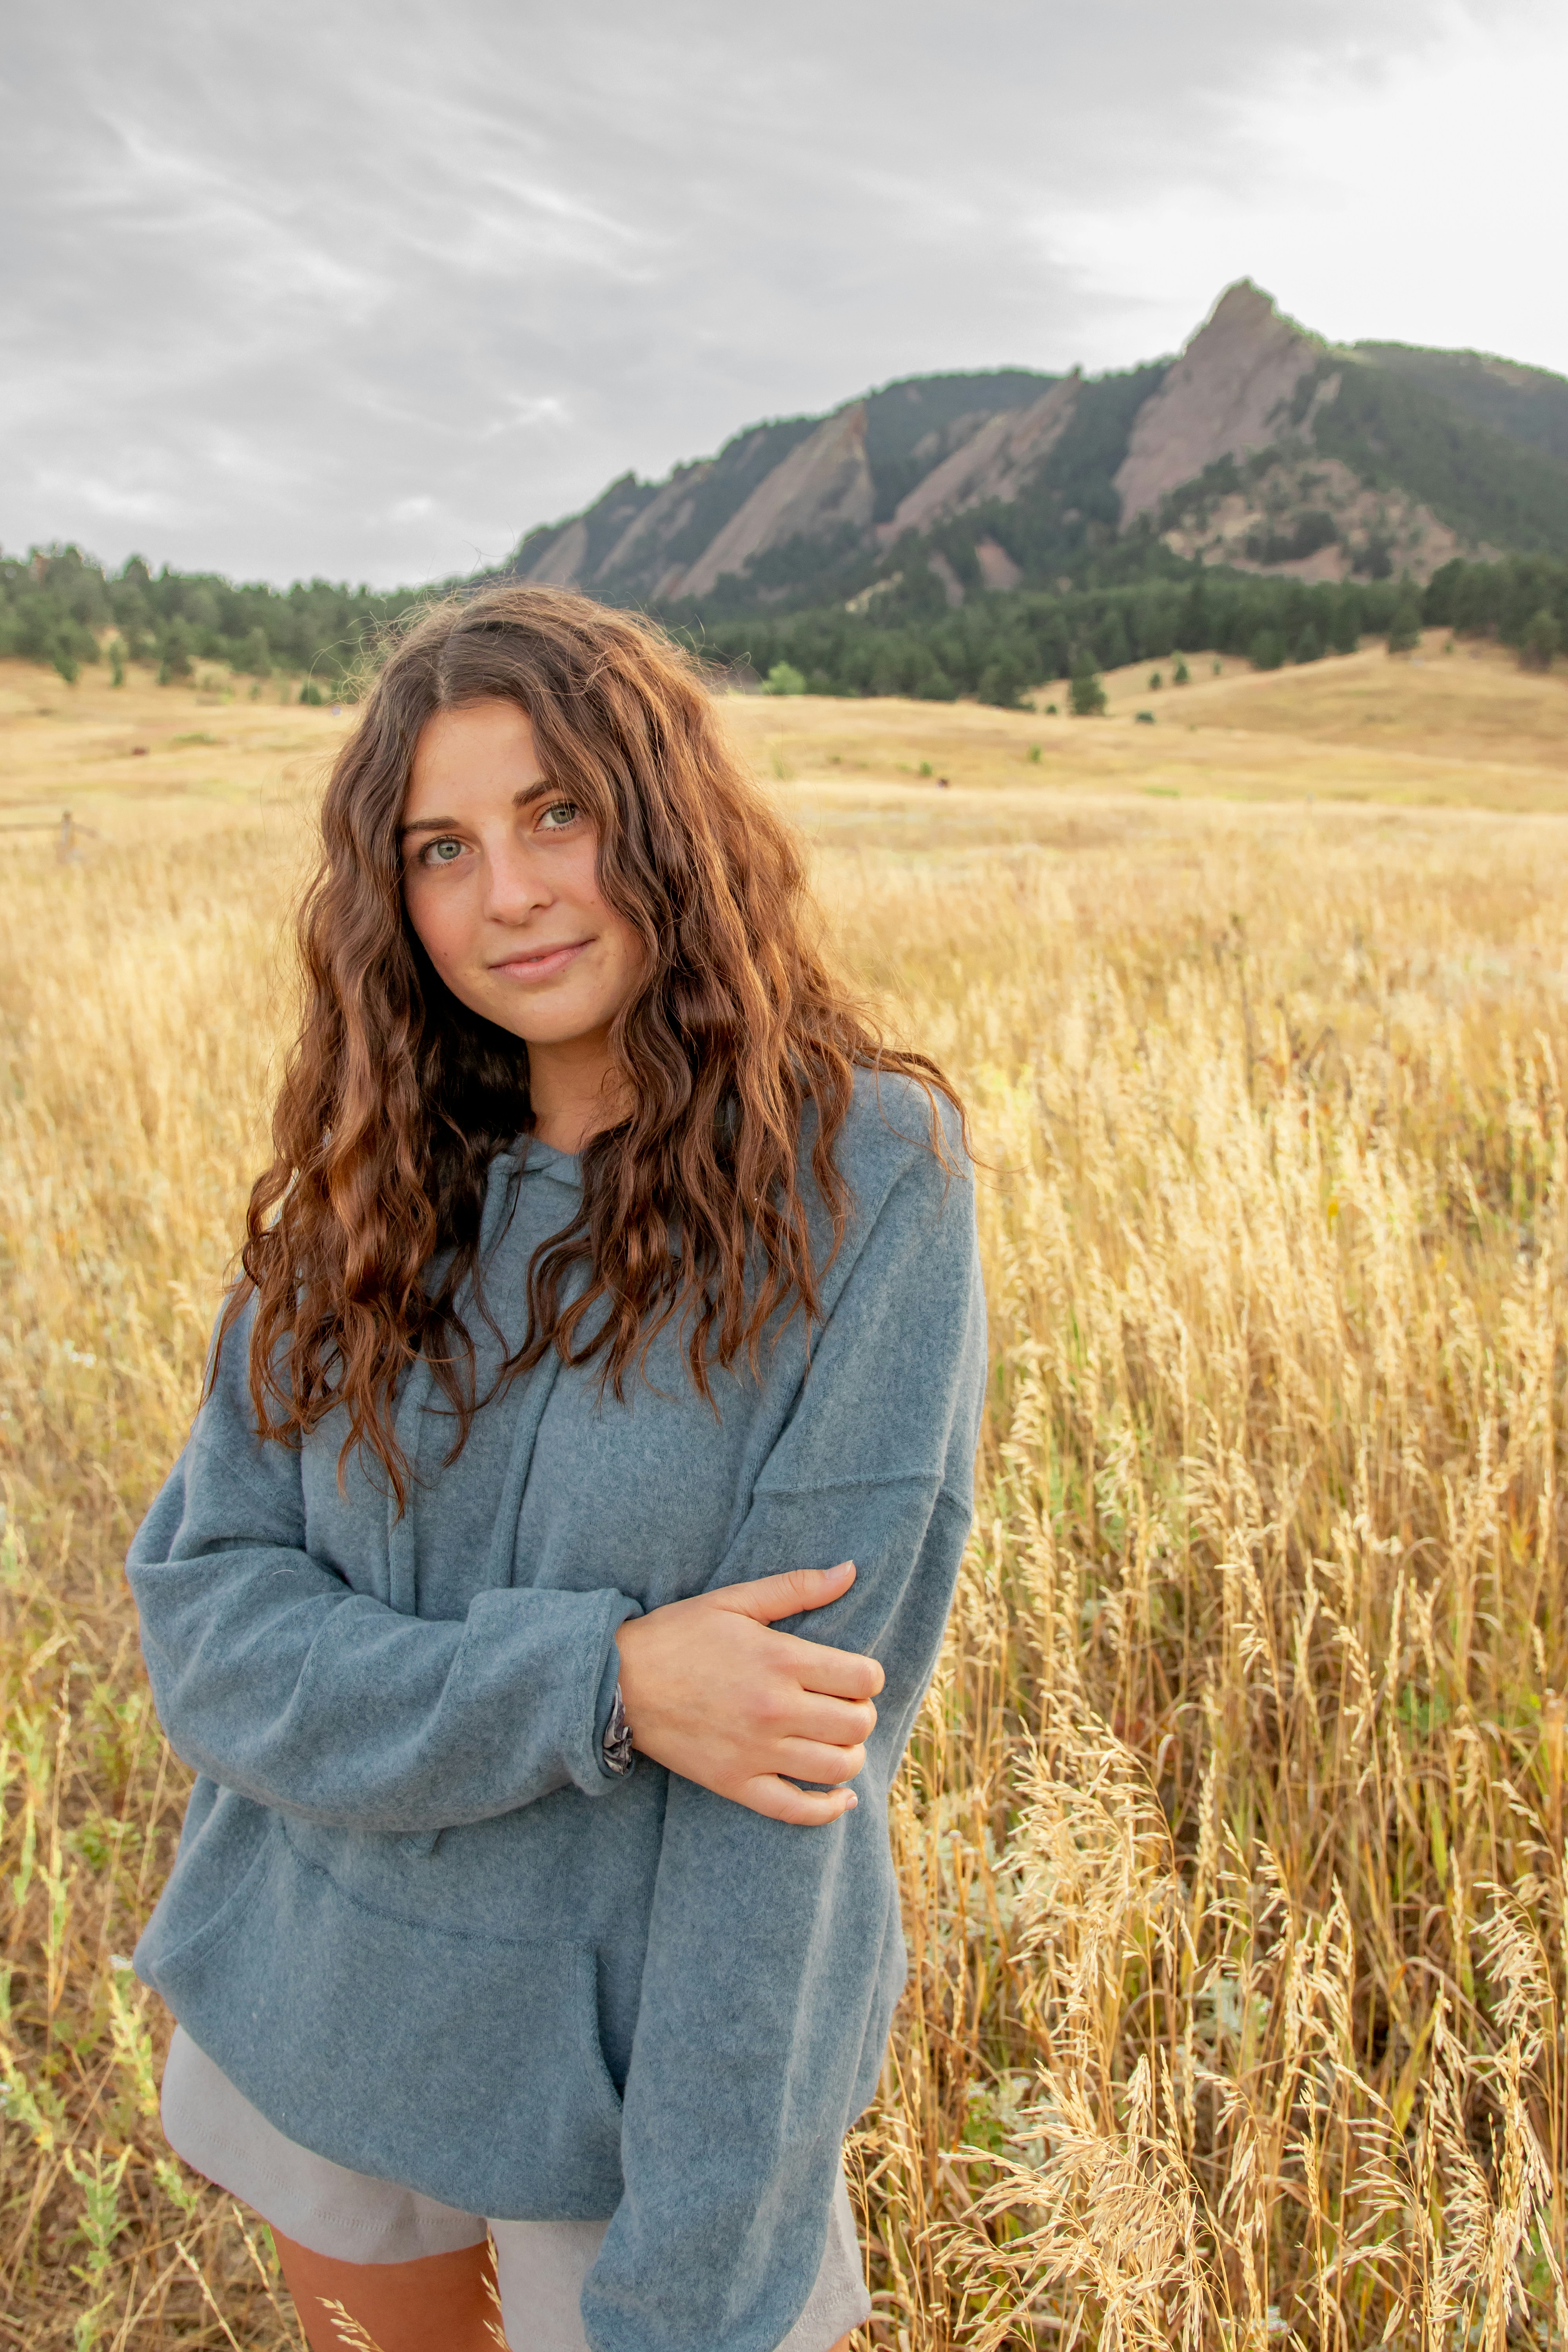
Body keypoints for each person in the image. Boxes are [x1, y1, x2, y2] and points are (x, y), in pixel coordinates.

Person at [126, 584, 987, 2352]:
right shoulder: (370, 1184)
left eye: (556, 812)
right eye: (439, 847)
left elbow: (789, 1790)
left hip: (633, 2094)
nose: (505, 891)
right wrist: (598, 1684)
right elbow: (208, 1630)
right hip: (330, 1992)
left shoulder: (866, 1186)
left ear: (663, 820)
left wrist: (698, 2272)